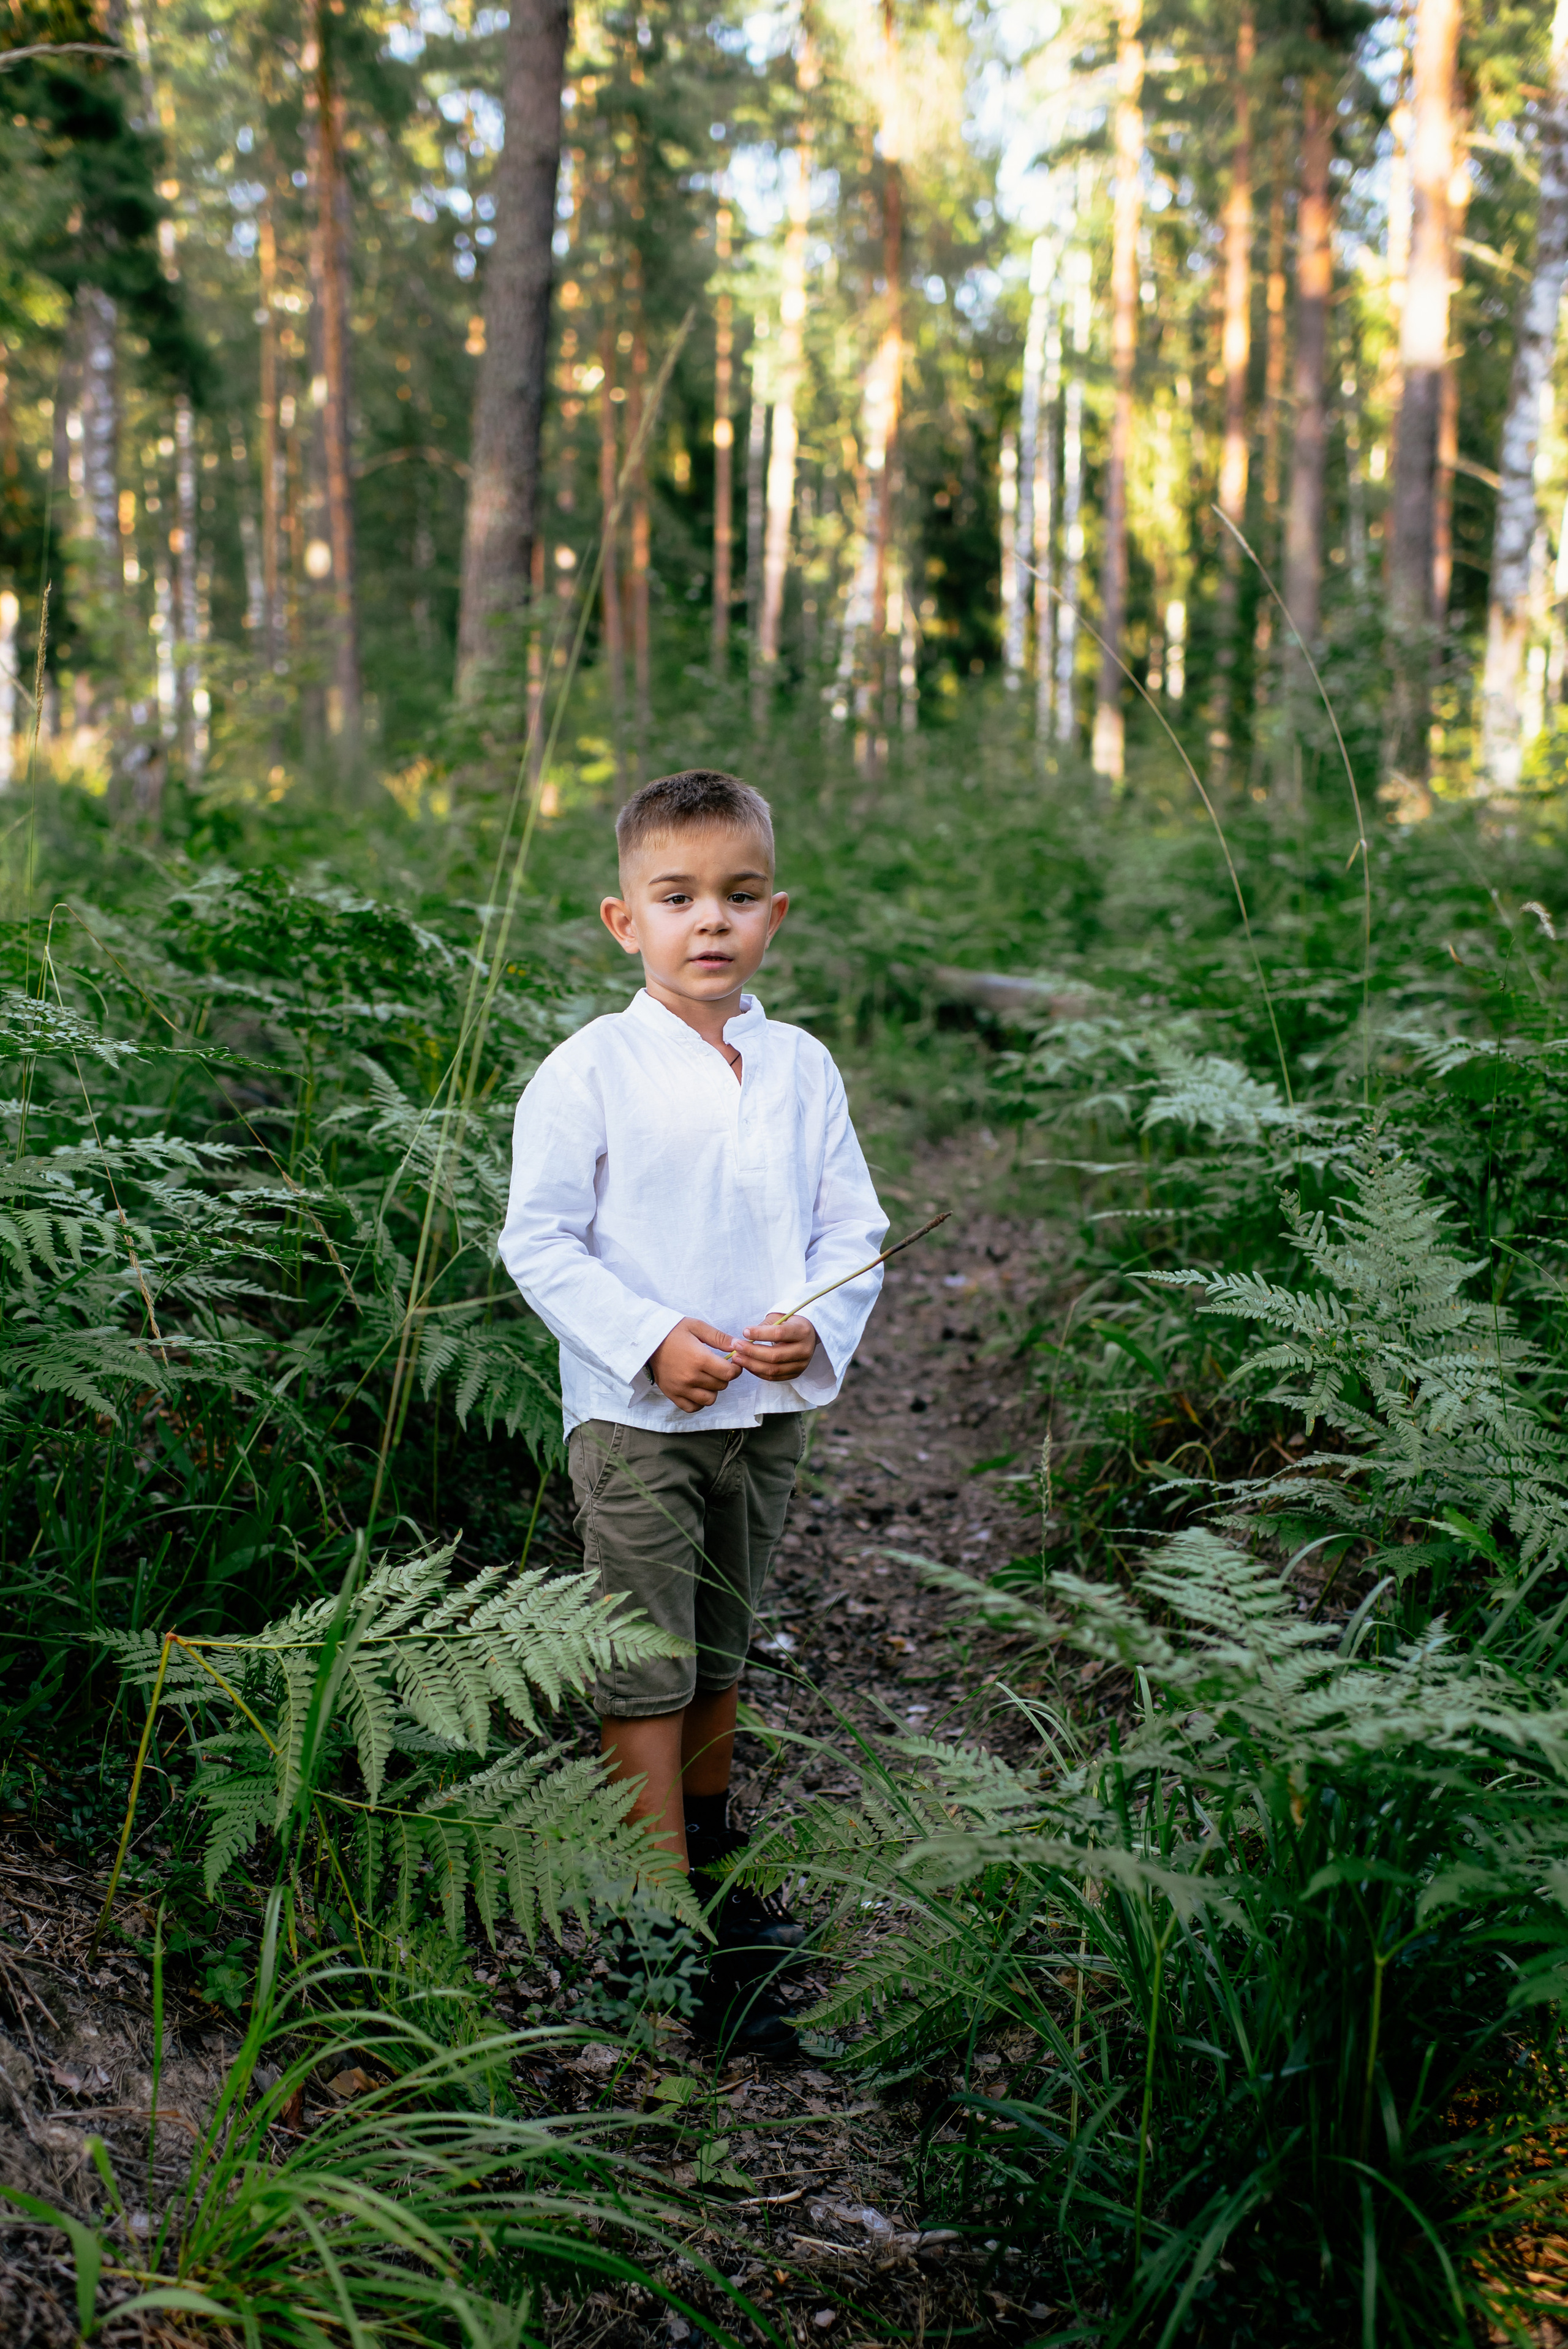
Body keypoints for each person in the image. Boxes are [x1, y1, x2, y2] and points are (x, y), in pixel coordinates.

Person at [498, 768, 888, 2057]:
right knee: (645, 1667)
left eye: (733, 898)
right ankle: (649, 1927)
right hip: (631, 1427)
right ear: (625, 921)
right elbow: (540, 1244)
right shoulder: (589, 1072)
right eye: (676, 899)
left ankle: (714, 1884)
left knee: (720, 1649)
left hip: (766, 1414)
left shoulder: (799, 1067)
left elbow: (853, 1230)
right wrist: (651, 1339)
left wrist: (813, 1323)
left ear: (774, 914)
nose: (706, 924)